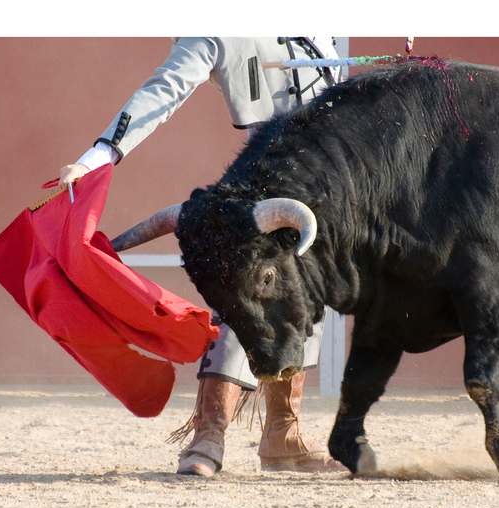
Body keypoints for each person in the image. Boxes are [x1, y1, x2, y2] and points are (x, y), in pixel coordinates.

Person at [59, 37, 345, 477]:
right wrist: (99, 156)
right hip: (261, 179)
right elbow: (164, 89)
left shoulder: (325, 23)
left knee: (309, 285)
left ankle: (283, 433)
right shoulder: (218, 25)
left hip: (329, 179)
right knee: (244, 284)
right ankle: (209, 431)